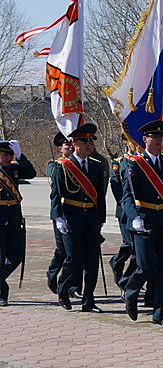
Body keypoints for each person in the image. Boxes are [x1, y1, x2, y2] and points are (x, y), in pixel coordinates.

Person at [121, 120, 163, 326]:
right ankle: (131, 290)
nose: (157, 141)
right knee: (146, 267)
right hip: (144, 221)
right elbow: (127, 197)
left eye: (160, 137)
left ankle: (160, 312)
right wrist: (134, 218)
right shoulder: (135, 164)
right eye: (153, 137)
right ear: (144, 139)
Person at [50, 123, 106, 312]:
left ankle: (88, 300)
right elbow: (56, 194)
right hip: (70, 217)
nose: (89, 145)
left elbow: (100, 196)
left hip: (90, 217)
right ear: (74, 144)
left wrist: (101, 220)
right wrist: (58, 217)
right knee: (73, 259)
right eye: (85, 141)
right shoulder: (63, 166)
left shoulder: (97, 166)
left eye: (91, 141)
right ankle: (63, 290)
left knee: (92, 261)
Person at [46, 132, 83, 299]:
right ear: (60, 148)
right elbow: (55, 190)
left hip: (79, 213)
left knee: (76, 251)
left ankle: (74, 287)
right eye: (66, 145)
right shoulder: (55, 165)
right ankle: (52, 274)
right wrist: (57, 216)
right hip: (62, 213)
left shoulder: (82, 165)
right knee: (64, 251)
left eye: (71, 144)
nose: (70, 147)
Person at [0, 140, 36, 306]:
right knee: (0, 259)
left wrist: (20, 156)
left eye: (10, 154)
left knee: (16, 257)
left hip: (14, 218)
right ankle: (2, 294)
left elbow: (30, 173)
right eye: (4, 154)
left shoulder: (14, 168)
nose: (7, 157)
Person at [108, 137, 138, 296]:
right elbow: (115, 186)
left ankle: (129, 279)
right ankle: (117, 263)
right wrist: (127, 206)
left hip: (143, 211)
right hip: (126, 211)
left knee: (139, 250)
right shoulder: (119, 162)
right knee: (131, 245)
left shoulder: (142, 161)